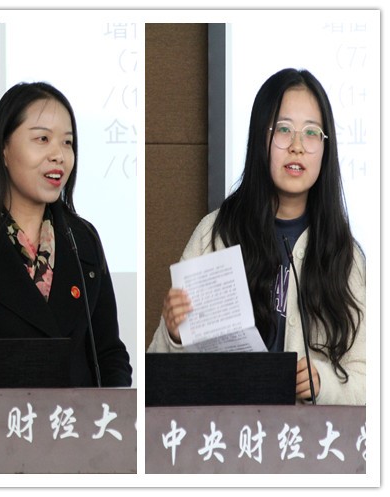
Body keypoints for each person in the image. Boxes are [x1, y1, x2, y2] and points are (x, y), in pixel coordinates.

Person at [148, 68, 365, 405]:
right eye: (283, 130)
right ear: (259, 138)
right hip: (226, 432)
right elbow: (161, 378)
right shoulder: (216, 234)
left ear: (326, 147)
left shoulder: (345, 255)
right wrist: (173, 334)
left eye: (311, 133)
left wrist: (325, 384)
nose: (296, 147)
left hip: (307, 437)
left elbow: (371, 379)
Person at [0, 81, 132, 388]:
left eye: (67, 142)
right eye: (42, 139)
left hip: (74, 417)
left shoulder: (83, 240)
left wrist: (113, 407)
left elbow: (108, 353)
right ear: (2, 148)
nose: (59, 155)